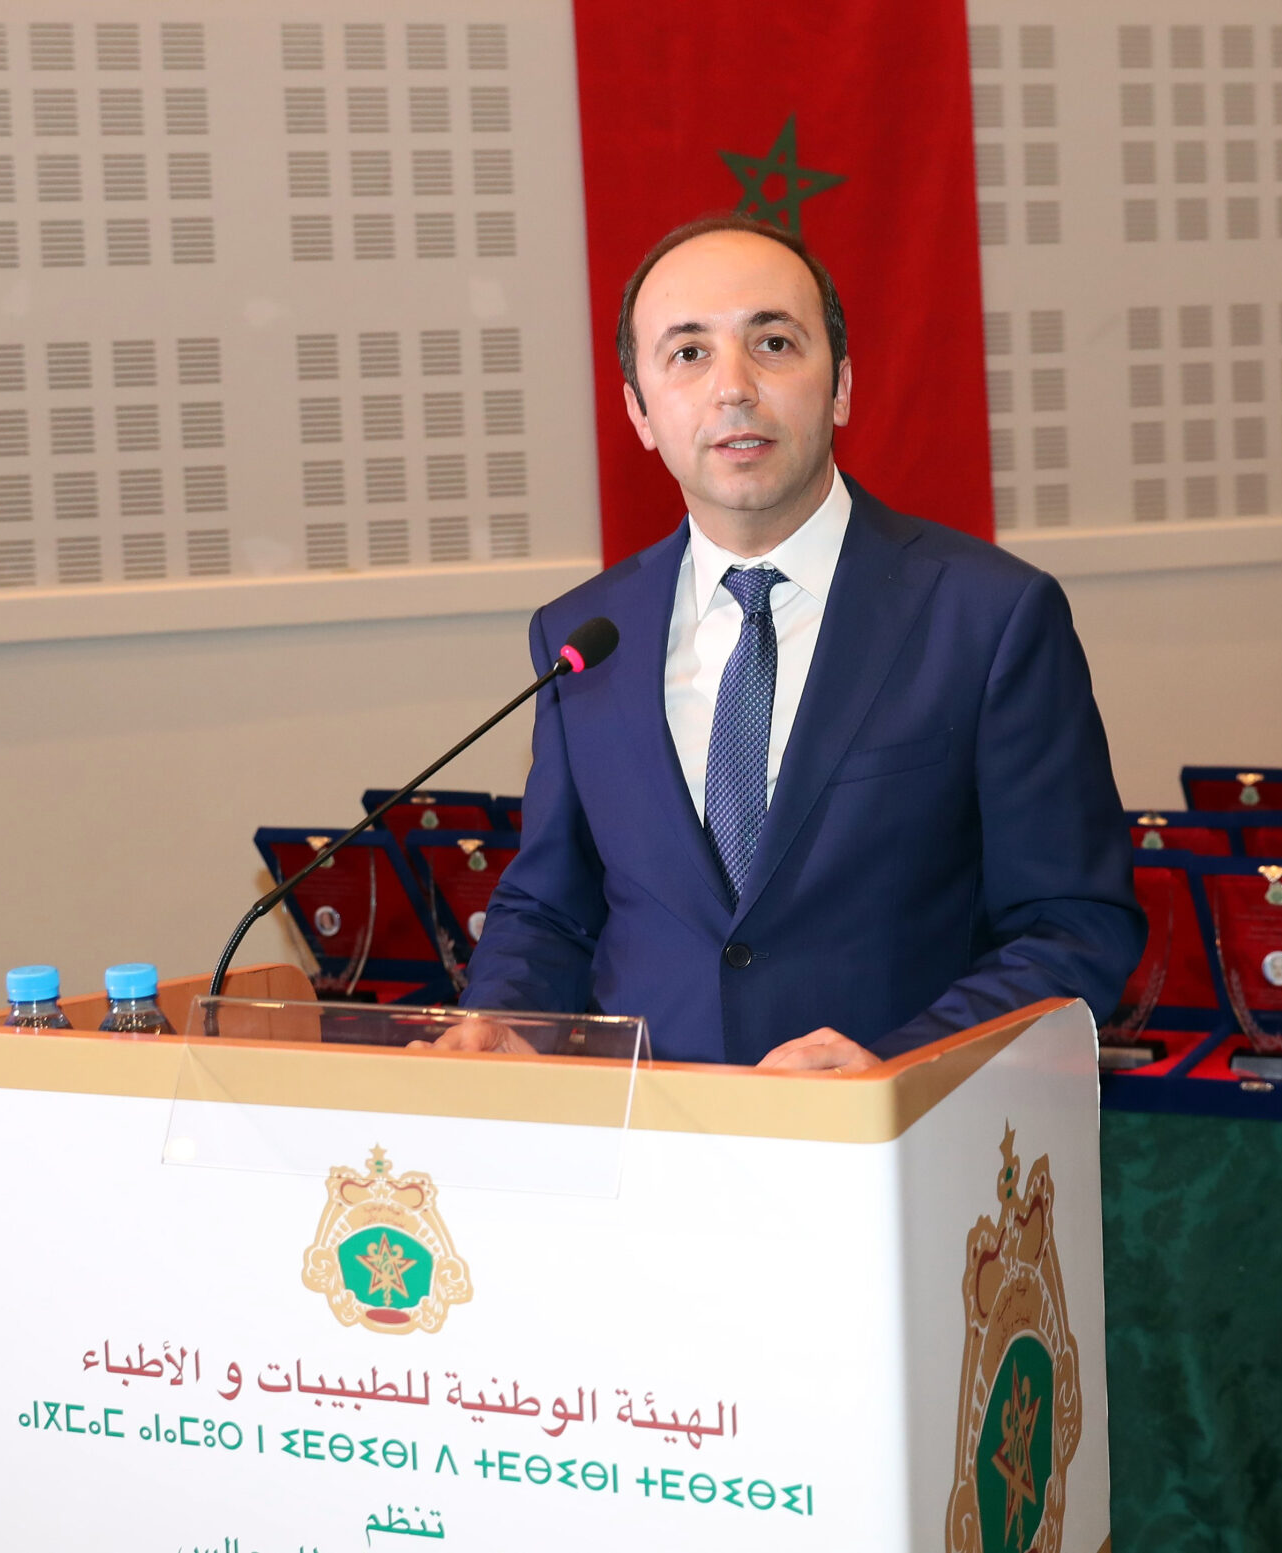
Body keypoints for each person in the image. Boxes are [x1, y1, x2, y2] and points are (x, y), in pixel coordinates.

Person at [444, 214, 1144, 1069]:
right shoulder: (587, 635)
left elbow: (1073, 924)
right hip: (647, 1158)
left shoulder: (990, 617)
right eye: (689, 353)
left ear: (841, 385)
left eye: (773, 343)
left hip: (892, 1155)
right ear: (639, 411)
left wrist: (895, 1067)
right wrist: (499, 1019)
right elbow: (551, 908)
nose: (733, 387)